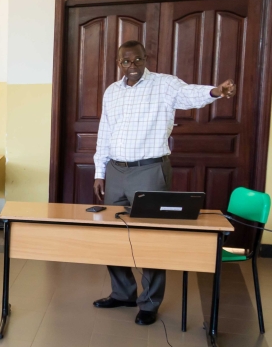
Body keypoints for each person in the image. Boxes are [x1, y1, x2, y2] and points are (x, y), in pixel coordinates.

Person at [91, 40, 237, 325]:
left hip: (150, 171)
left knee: (152, 237)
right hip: (116, 171)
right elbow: (104, 131)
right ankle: (123, 293)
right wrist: (100, 171)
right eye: (125, 61)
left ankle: (149, 302)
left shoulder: (165, 85)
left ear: (146, 59)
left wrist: (216, 92)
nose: (132, 66)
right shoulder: (112, 92)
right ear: (118, 63)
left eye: (137, 60)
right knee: (112, 235)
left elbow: (190, 95)